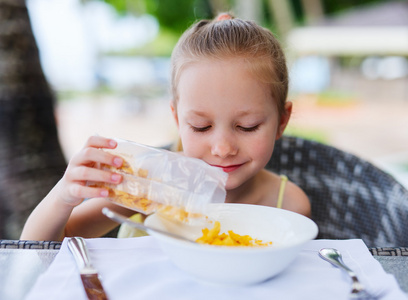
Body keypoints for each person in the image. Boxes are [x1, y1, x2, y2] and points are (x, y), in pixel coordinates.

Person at [20, 13, 311, 241]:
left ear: (281, 121)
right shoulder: (152, 186)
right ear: (177, 120)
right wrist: (63, 196)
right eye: (200, 127)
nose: (223, 149)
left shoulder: (291, 207)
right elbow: (40, 247)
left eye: (247, 127)